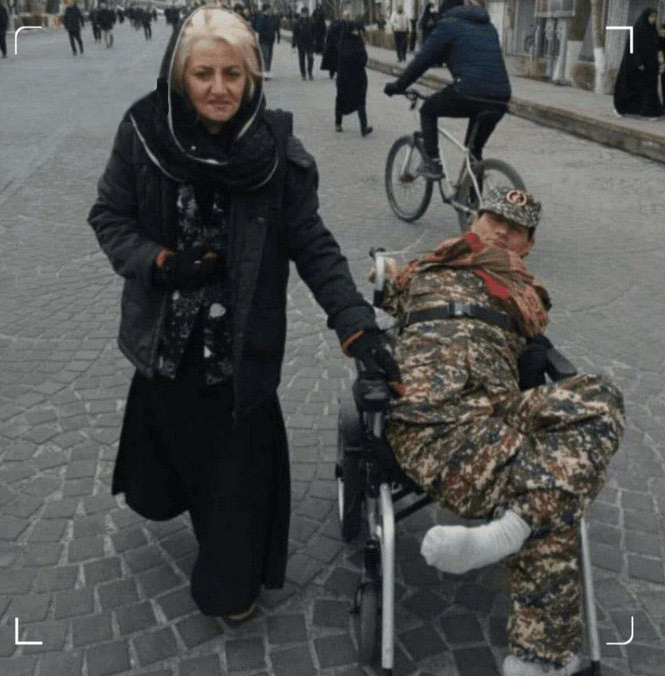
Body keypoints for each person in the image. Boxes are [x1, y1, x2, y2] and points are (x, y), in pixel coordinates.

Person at [87, 6, 400, 622]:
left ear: (252, 76)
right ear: (181, 76)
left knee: (235, 480)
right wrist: (159, 262)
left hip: (240, 351)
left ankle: (229, 580)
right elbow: (110, 217)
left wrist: (356, 324)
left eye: (233, 74)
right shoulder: (144, 131)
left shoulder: (275, 150)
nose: (219, 88)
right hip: (167, 342)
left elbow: (312, 244)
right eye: (203, 73)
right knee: (174, 460)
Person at [374, 186, 624, 676]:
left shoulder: (528, 291)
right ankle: (540, 661)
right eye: (495, 219)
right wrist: (384, 276)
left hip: (500, 411)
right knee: (544, 484)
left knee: (602, 396)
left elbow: (536, 334)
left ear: (527, 244)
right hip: (431, 415)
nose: (502, 231)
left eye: (516, 229)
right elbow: (384, 299)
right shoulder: (424, 268)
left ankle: (506, 533)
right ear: (475, 221)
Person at [384, 0, 510, 179]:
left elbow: (421, 61)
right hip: (501, 97)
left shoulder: (447, 25)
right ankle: (473, 195)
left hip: (468, 92)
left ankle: (433, 163)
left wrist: (398, 86)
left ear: (444, 12)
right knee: (474, 151)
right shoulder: (488, 27)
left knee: (428, 109)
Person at [613, 8, 664, 119]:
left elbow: (657, 46)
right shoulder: (636, 31)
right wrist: (638, 62)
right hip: (635, 68)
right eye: (651, 17)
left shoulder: (653, 31)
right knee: (630, 89)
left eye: (655, 17)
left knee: (648, 91)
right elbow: (631, 49)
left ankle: (650, 112)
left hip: (650, 68)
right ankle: (622, 109)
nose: (653, 19)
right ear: (645, 17)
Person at [335, 20, 372, 137]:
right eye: (355, 30)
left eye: (358, 30)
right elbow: (346, 57)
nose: (357, 32)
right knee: (342, 99)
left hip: (357, 77)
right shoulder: (344, 43)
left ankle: (363, 127)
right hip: (347, 77)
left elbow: (364, 58)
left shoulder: (357, 42)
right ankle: (338, 122)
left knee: (360, 101)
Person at [252, 3, 279, 79]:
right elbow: (257, 28)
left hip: (271, 40)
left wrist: (275, 17)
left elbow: (275, 26)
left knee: (269, 57)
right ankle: (265, 73)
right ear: (266, 9)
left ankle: (267, 72)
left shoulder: (271, 17)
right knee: (265, 57)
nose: (271, 10)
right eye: (270, 9)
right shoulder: (261, 17)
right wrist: (265, 33)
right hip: (264, 40)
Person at [292, 6, 315, 80]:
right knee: (302, 59)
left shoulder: (311, 21)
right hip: (301, 43)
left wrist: (314, 40)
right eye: (303, 13)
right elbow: (295, 34)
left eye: (306, 13)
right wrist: (294, 44)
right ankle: (303, 74)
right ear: (301, 13)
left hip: (310, 43)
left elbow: (314, 32)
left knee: (310, 58)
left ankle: (310, 72)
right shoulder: (297, 22)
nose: (305, 14)